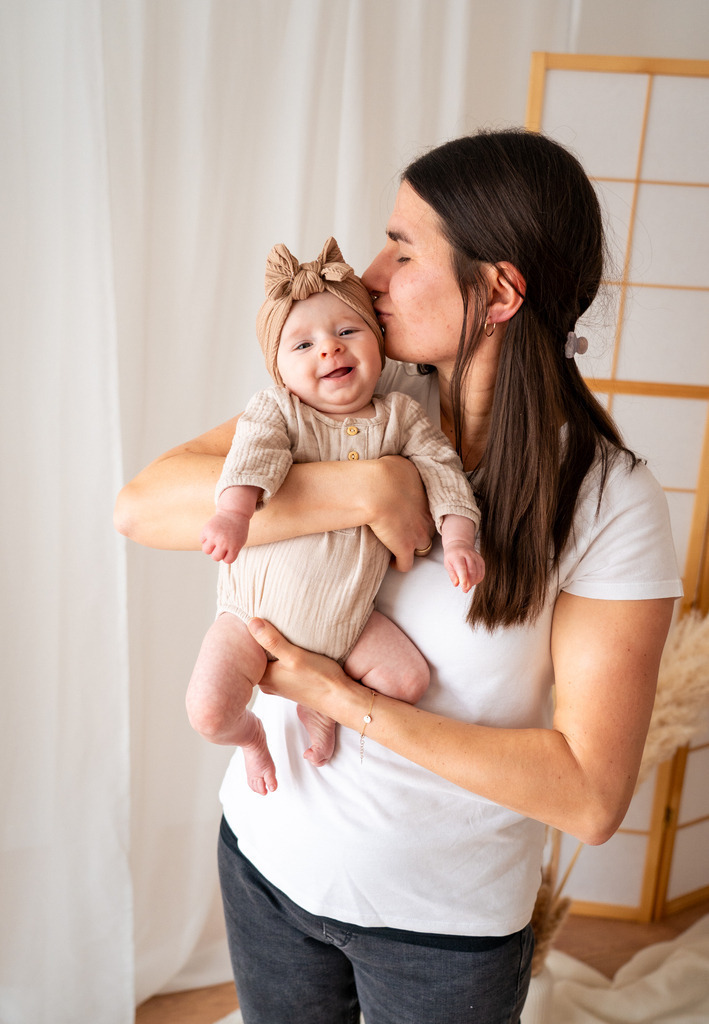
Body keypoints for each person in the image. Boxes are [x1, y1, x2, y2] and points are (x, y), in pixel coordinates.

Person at [114, 128, 683, 1024]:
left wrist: (342, 702)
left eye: (402, 247)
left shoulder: (610, 502)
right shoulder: (357, 404)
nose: (370, 274)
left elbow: (588, 795)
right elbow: (143, 507)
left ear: (496, 292)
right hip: (265, 865)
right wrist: (362, 485)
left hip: (440, 936)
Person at [187, 236, 483, 795]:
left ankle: (320, 703)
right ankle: (252, 737)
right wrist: (232, 513)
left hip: (347, 624)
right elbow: (254, 454)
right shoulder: (280, 411)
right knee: (208, 711)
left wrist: (460, 536)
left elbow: (444, 469)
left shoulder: (401, 415)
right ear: (279, 370)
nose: (330, 350)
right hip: (250, 619)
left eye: (347, 332)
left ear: (378, 341)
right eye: (303, 345)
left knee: (408, 679)